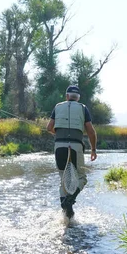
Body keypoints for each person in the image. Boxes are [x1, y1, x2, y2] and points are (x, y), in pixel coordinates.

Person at [46, 85, 97, 219]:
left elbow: (49, 127)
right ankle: (71, 199)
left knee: (63, 178)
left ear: (67, 96)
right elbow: (91, 131)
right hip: (75, 147)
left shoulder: (57, 107)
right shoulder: (83, 108)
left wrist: (57, 133)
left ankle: (65, 209)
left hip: (59, 146)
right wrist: (93, 149)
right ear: (78, 98)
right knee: (81, 178)